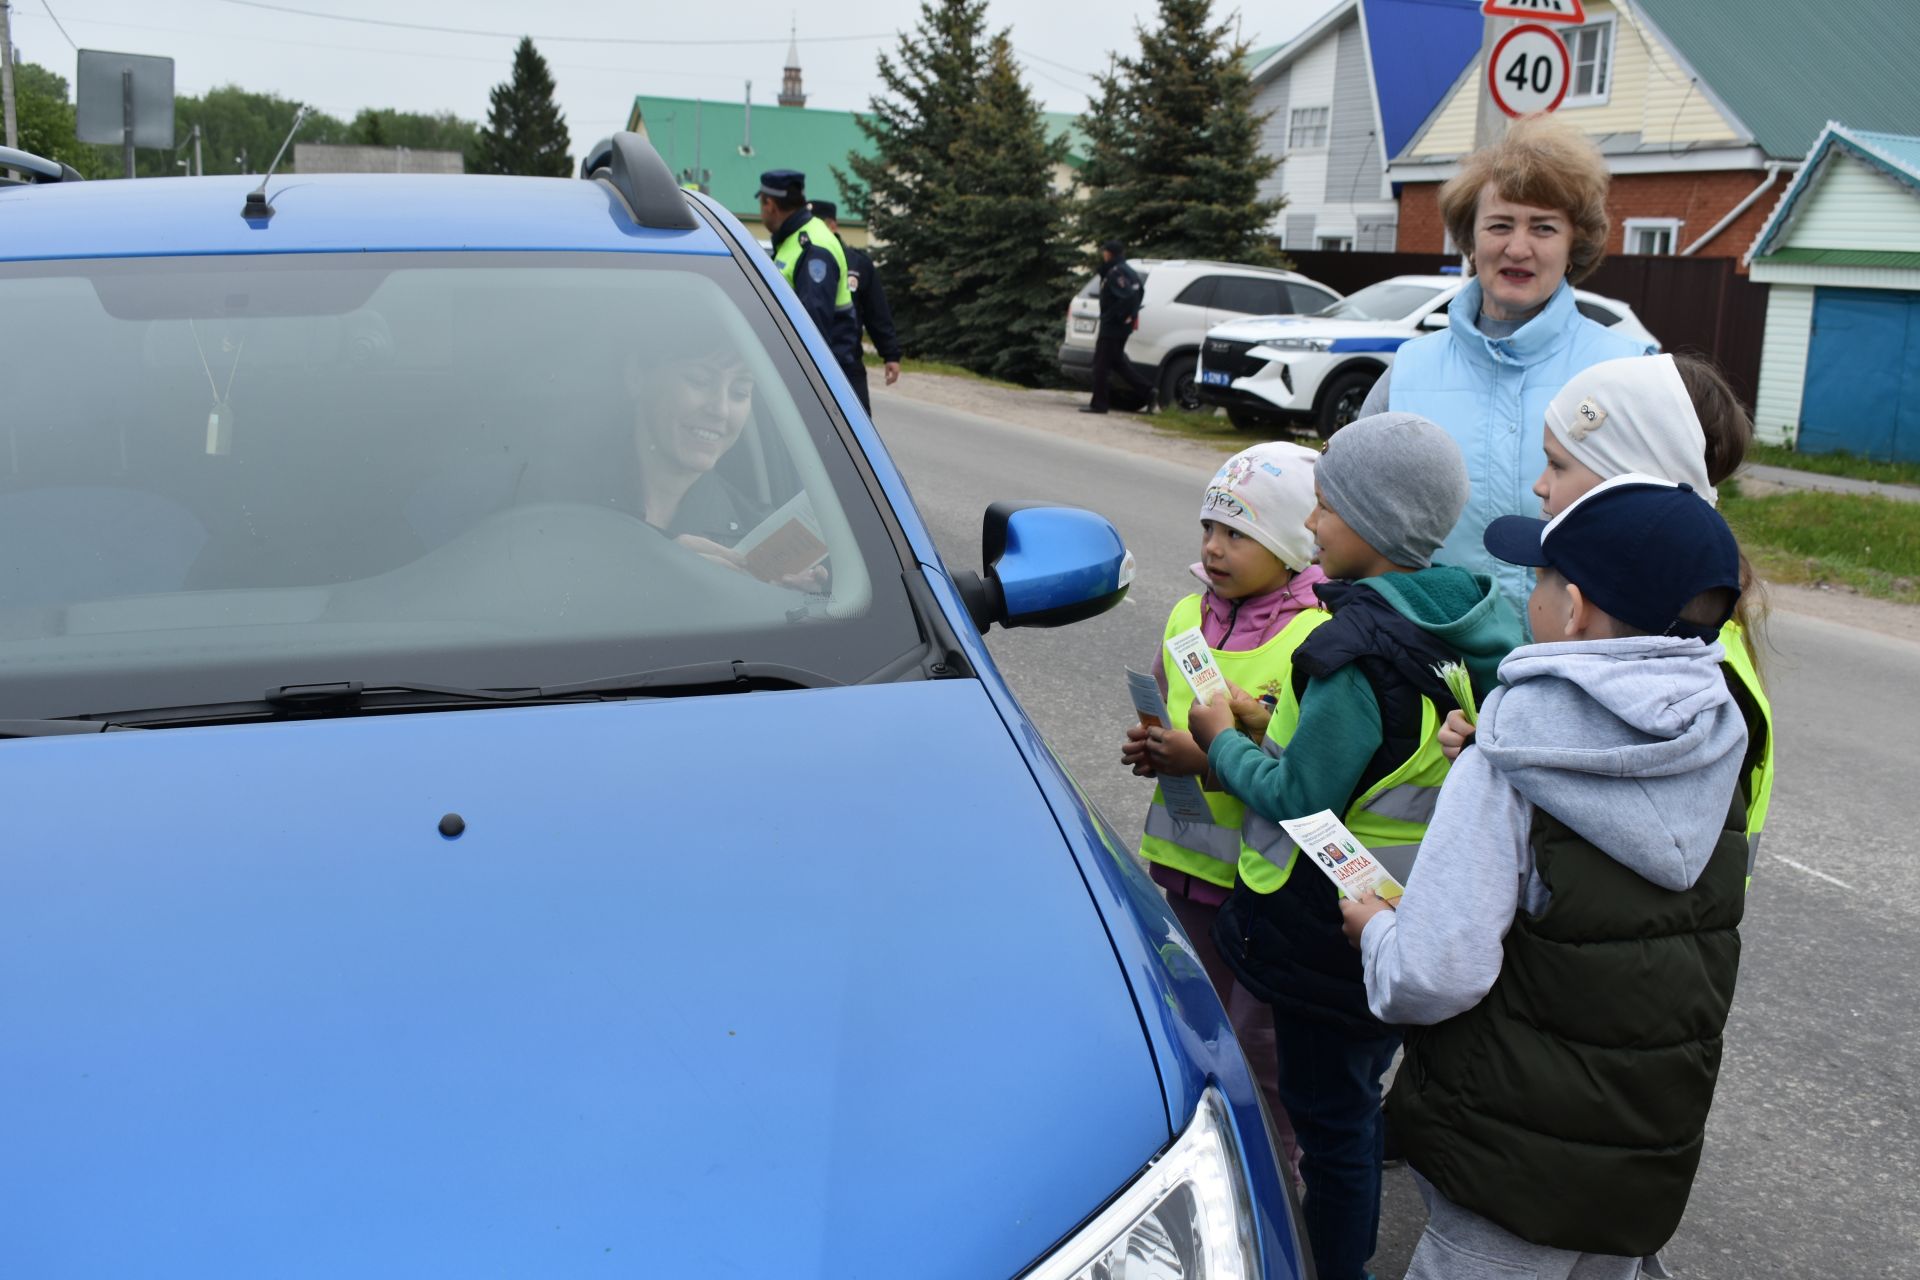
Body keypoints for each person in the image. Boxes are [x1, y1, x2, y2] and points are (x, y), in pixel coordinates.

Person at [1339, 475, 1749, 1279]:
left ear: (1577, 611)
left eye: (1540, 580)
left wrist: (1376, 930)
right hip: (1643, 1147)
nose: (1529, 595)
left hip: (1511, 1154)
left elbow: (1432, 974)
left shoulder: (1509, 756)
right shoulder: (1720, 732)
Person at [1186, 413, 1526, 1280]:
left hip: (1333, 934)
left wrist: (1225, 737)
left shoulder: (1352, 655)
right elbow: (1390, 757)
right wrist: (1282, 726)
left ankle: (1334, 1267)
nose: (1310, 526)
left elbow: (1301, 798)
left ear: (1372, 523)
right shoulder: (1473, 627)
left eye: (1326, 508)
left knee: (1332, 1125)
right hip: (1424, 917)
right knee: (1358, 1101)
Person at [1438, 353, 1775, 883]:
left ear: (1632, 482)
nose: (1540, 485)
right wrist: (1500, 749)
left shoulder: (1695, 667)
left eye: (1560, 464)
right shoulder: (1680, 633)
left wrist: (1511, 751)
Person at [1119, 440, 1330, 1178]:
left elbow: (1302, 766)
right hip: (1178, 865)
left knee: (1255, 1044)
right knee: (1187, 1022)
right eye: (1209, 527)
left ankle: (1270, 1168)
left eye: (1238, 533)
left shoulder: (1314, 635)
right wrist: (1154, 745)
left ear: (1293, 544)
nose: (1213, 546)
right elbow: (1170, 707)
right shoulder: (1185, 615)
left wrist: (1202, 758)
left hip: (1256, 884)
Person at [1360, 115, 1655, 617]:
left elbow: (1662, 535)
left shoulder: (1628, 373)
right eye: (1499, 225)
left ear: (1573, 244)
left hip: (1573, 670)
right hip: (1427, 662)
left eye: (1543, 227)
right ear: (1469, 240)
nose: (1518, 248)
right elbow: (1354, 521)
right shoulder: (1409, 372)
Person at [622, 322, 825, 591]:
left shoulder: (759, 534)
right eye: (700, 381)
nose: (721, 410)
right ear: (637, 376)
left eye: (740, 392)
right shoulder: (559, 501)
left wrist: (792, 608)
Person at [756, 170, 864, 398]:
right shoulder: (796, 237)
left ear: (770, 205)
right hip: (814, 375)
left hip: (819, 380)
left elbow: (813, 328)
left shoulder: (813, 247)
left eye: (761, 203)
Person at [811, 200, 902, 415]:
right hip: (811, 362)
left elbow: (876, 313)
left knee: (858, 428)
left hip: (848, 364)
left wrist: (890, 354)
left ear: (833, 225)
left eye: (818, 225)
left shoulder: (857, 264)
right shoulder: (804, 259)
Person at [1082, 239, 1158, 415]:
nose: (1103, 255)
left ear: (1109, 253)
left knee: (1100, 365)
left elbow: (1128, 296)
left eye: (1105, 252)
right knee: (1117, 362)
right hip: (1121, 326)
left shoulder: (1116, 272)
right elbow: (1139, 292)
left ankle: (1099, 404)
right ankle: (1148, 391)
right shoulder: (1128, 270)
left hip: (1113, 326)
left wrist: (1114, 316)